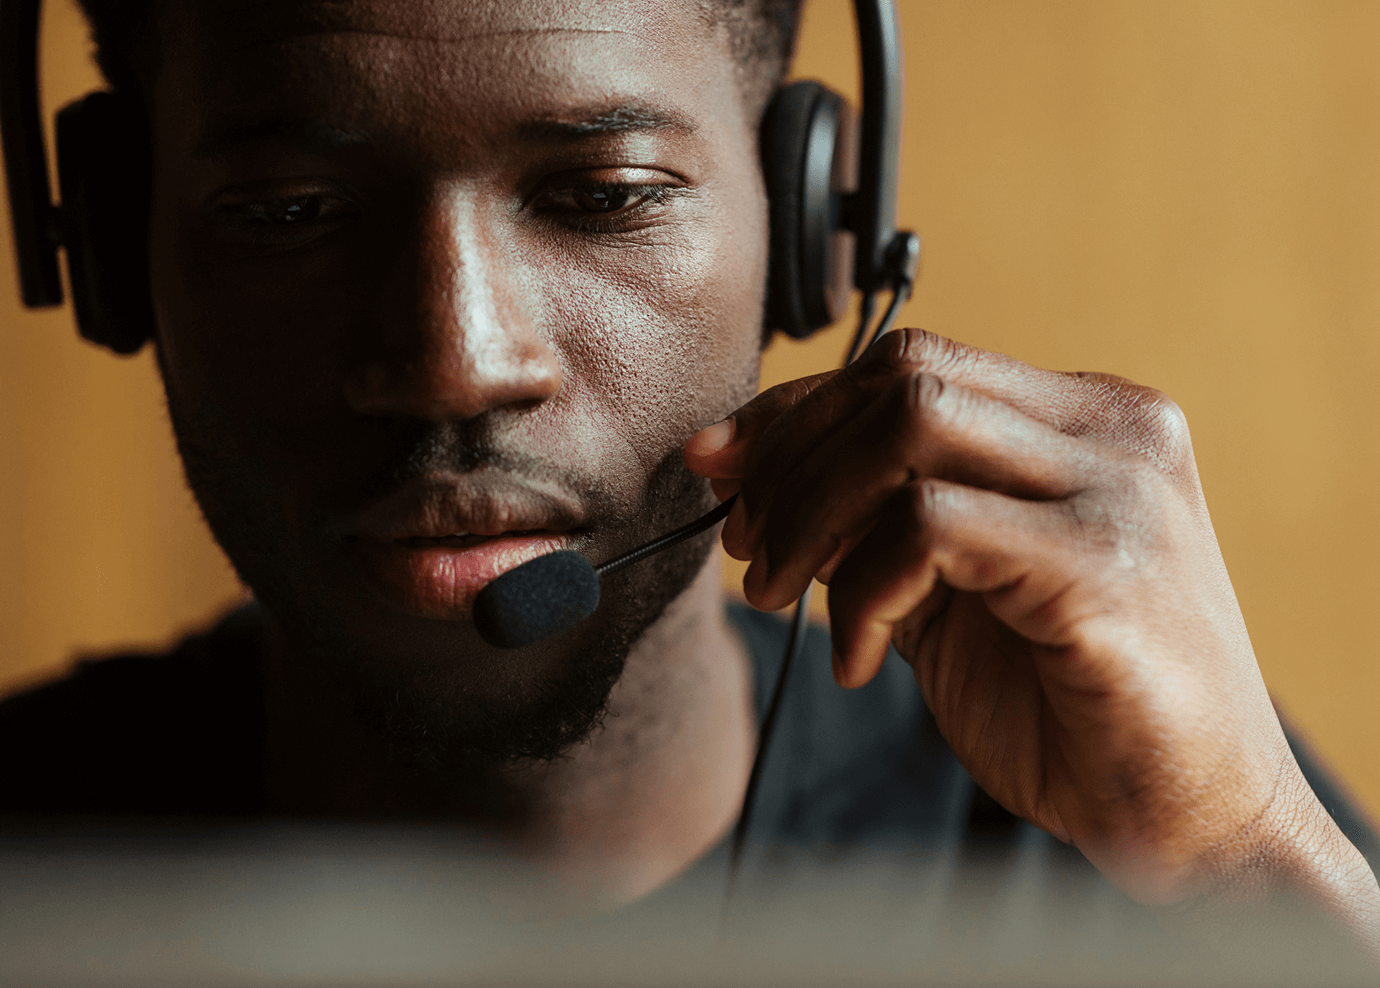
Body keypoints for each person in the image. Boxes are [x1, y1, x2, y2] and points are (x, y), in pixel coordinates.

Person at [2, 0, 1378, 958]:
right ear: (114, 252)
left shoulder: (1157, 860)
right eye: (292, 213)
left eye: (604, 193)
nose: (456, 360)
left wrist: (1245, 871)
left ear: (812, 227)